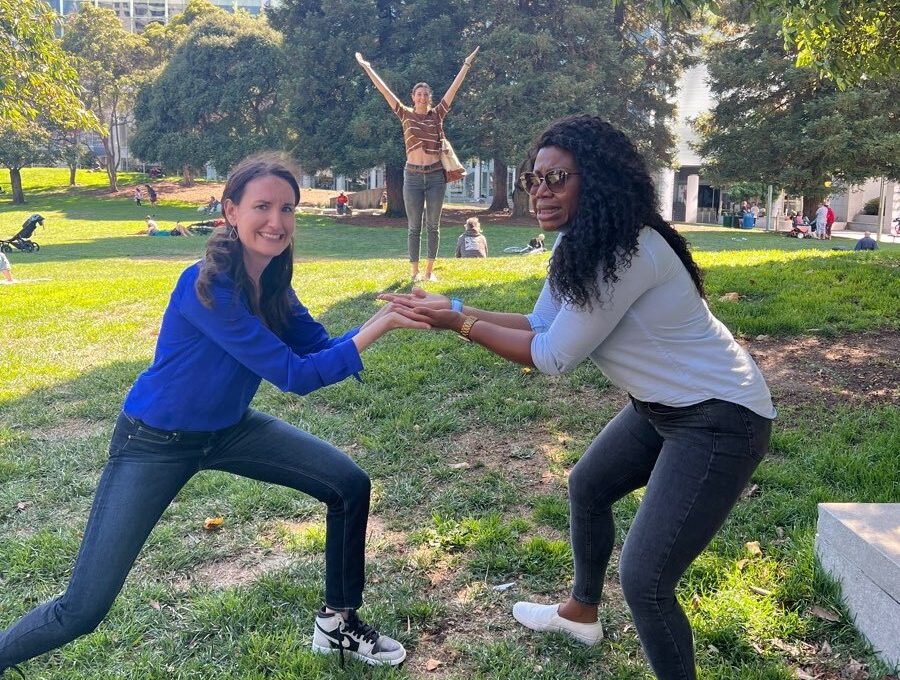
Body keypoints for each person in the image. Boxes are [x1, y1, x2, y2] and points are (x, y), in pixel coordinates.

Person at [0, 154, 429, 676]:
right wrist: (379, 327)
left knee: (347, 483)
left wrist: (385, 314)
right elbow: (295, 376)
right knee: (83, 610)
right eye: (262, 207)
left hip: (227, 430)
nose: (277, 221)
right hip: (154, 442)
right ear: (231, 211)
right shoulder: (206, 286)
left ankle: (337, 626)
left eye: (288, 209)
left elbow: (319, 349)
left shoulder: (272, 286)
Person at [381, 115, 775, 680]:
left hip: (721, 419)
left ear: (598, 178)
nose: (541, 192)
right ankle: (580, 612)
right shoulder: (581, 242)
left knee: (646, 580)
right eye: (533, 179)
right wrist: (456, 309)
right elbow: (541, 322)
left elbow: (552, 356)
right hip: (661, 408)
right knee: (588, 485)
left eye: (557, 178)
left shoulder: (628, 250)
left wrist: (458, 326)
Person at [356, 47, 479, 283]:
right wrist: (367, 67)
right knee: (414, 227)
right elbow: (385, 91)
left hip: (435, 177)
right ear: (413, 97)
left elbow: (454, 90)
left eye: (425, 94)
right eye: (418, 94)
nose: (422, 97)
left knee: (433, 225)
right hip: (412, 177)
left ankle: (429, 272)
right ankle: (414, 273)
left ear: (429, 98)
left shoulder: (437, 115)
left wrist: (466, 65)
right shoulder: (405, 114)